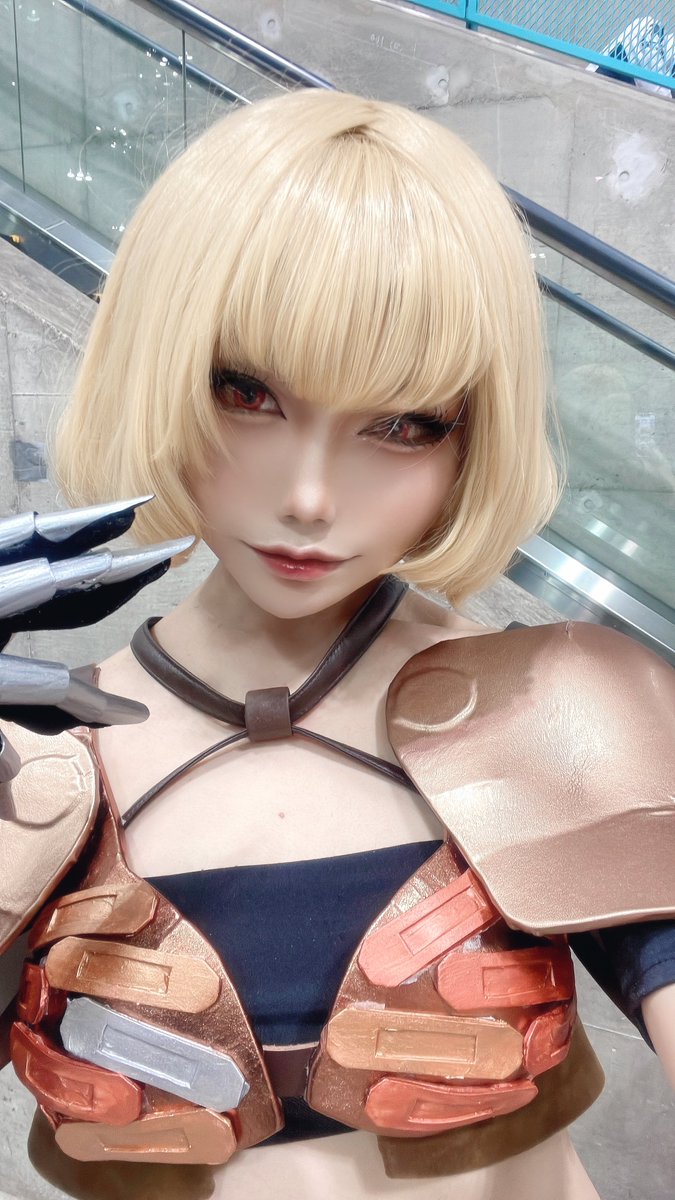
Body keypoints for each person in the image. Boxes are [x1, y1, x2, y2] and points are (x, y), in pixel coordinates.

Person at [3, 89, 675, 1200]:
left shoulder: (561, 715)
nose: (311, 497)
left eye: (400, 423)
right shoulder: (39, 766)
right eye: (245, 392)